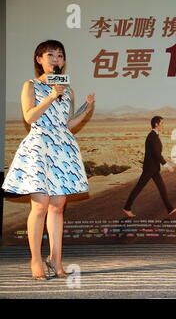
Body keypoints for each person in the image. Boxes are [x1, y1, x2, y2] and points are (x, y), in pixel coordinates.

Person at [2, 40, 95, 280]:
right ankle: (35, 260)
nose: (56, 59)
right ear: (39, 59)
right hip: (39, 147)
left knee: (57, 207)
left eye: (60, 55)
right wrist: (52, 96)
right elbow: (30, 117)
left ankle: (56, 259)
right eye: (50, 54)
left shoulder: (69, 89)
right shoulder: (30, 85)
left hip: (62, 148)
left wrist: (85, 111)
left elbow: (67, 124)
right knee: (40, 206)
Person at [122, 116, 176, 217]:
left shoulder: (155, 136)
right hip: (149, 169)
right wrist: (167, 165)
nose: (163, 125)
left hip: (154, 169)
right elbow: (156, 154)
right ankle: (127, 207)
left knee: (162, 187)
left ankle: (169, 208)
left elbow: (156, 153)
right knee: (139, 187)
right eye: (162, 123)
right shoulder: (152, 136)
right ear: (156, 124)